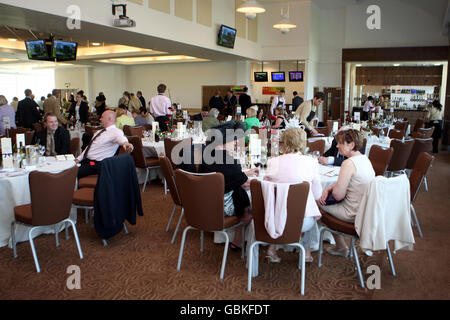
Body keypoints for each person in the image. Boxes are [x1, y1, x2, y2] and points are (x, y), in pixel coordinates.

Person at [263, 127, 322, 262]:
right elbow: (317, 195)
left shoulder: (271, 162)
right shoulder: (312, 162)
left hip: (275, 218)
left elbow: (265, 190)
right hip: (302, 221)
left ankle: (272, 248)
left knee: (278, 204)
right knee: (308, 209)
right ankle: (306, 251)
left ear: (283, 144)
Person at [200, 121, 257, 249]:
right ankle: (239, 241)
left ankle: (237, 240)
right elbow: (246, 184)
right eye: (234, 140)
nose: (236, 143)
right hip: (220, 208)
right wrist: (264, 181)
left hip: (202, 205)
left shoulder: (206, 156)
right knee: (254, 206)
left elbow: (226, 176)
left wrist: (244, 173)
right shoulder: (229, 160)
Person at [318, 129, 375, 257]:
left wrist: (326, 191)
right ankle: (340, 246)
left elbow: (338, 195)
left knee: (316, 202)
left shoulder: (348, 163)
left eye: (340, 143)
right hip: (366, 210)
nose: (337, 145)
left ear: (351, 145)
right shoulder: (365, 159)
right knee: (323, 198)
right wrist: (329, 187)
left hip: (351, 213)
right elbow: (352, 182)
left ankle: (312, 247)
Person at [75, 110, 133, 179]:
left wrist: (126, 143)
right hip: (87, 161)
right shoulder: (99, 132)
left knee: (72, 172)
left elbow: (121, 138)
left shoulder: (116, 132)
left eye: (102, 117)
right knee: (69, 167)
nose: (100, 119)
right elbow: (89, 148)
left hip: (96, 164)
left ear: (110, 119)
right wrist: (78, 159)